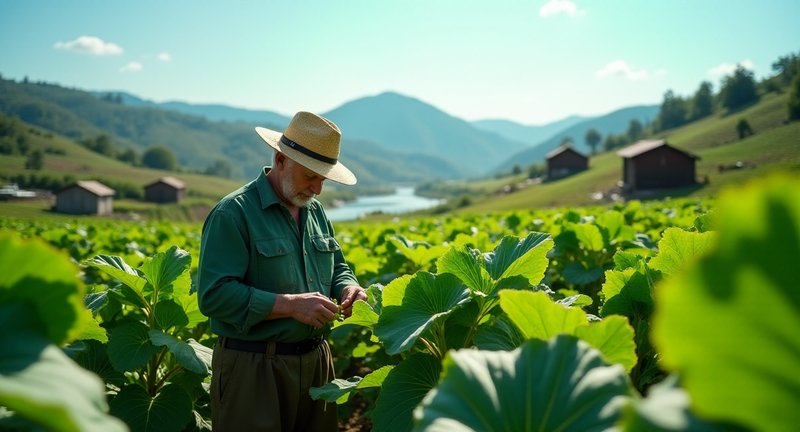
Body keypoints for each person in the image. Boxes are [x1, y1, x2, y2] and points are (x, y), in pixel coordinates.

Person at [197, 111, 367, 431]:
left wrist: (348, 288)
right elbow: (213, 296)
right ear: (280, 160)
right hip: (254, 369)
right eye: (309, 176)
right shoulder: (233, 213)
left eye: (323, 179)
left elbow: (339, 267)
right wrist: (289, 304)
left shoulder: (314, 211)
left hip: (317, 365)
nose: (317, 189)